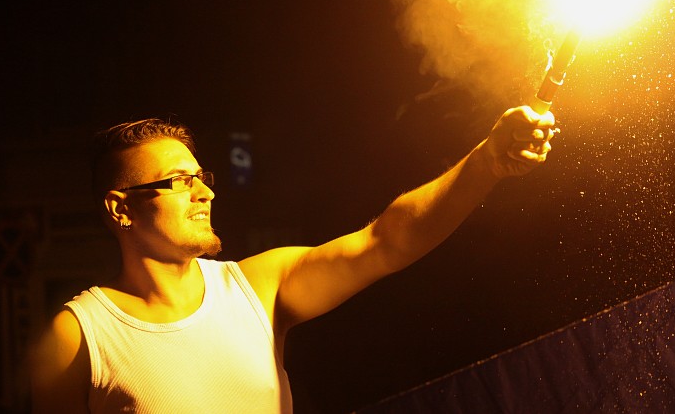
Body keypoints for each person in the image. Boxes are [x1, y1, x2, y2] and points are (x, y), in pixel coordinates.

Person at [30, 105, 556, 413]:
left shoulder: (260, 287)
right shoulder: (78, 338)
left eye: (201, 178)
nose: (205, 193)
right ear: (121, 208)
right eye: (179, 182)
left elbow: (386, 242)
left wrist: (487, 161)